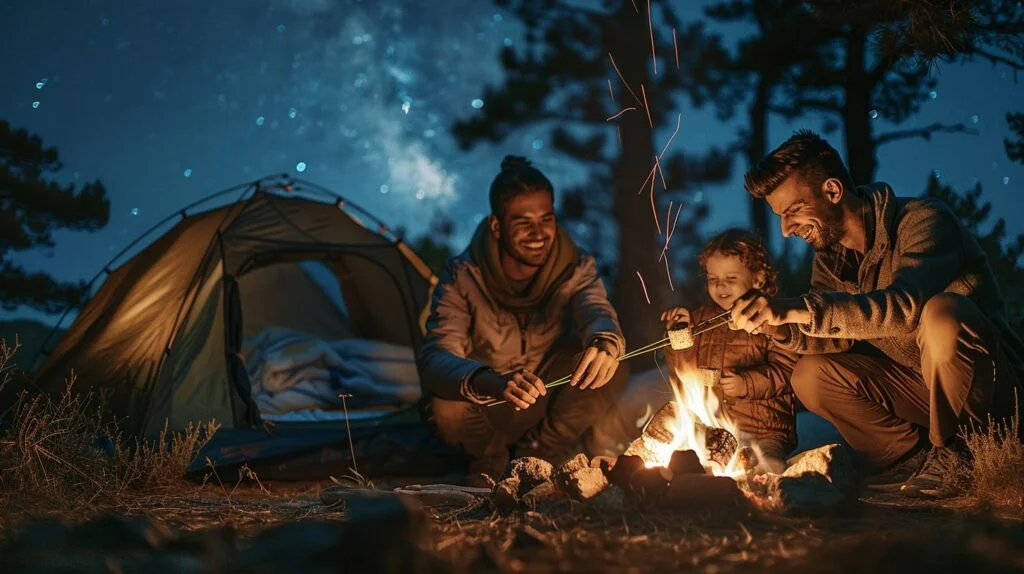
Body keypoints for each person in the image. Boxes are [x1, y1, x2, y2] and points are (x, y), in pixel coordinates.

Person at [729, 129, 1024, 497]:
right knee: (810, 374)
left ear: (833, 191)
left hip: (991, 395)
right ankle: (908, 461)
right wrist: (775, 326)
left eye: (792, 212)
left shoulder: (923, 221)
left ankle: (958, 453)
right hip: (919, 391)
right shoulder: (831, 260)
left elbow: (902, 308)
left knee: (941, 314)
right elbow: (834, 333)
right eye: (779, 217)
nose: (786, 230)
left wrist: (795, 308)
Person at [418, 155, 629, 486]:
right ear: (497, 227)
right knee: (445, 403)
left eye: (546, 219)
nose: (538, 234)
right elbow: (435, 358)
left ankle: (543, 453)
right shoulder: (463, 275)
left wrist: (605, 342)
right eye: (523, 222)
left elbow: (596, 310)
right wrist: (492, 380)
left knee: (613, 364)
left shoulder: (575, 268)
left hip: (544, 398)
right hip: (489, 405)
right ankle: (490, 461)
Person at [660, 229, 798, 472]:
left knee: (767, 461)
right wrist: (680, 334)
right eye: (713, 278)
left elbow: (788, 370)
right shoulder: (701, 319)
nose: (720, 285)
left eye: (731, 278)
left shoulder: (773, 318)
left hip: (764, 428)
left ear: (758, 279)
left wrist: (748, 383)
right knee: (688, 460)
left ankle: (775, 484)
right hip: (717, 429)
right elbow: (683, 373)